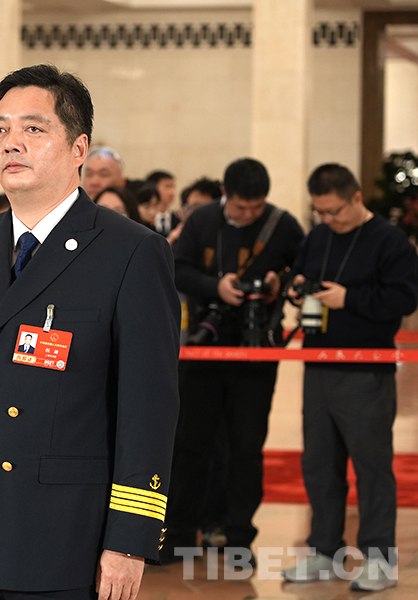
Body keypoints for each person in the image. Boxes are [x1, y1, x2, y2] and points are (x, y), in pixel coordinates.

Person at [0, 64, 180, 600]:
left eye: (33, 128)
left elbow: (148, 412)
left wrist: (129, 541)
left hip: (62, 537)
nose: (11, 143)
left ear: (78, 148)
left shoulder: (131, 252)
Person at [281, 164, 418, 592]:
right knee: (319, 464)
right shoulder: (319, 236)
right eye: (319, 212)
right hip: (318, 363)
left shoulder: (390, 241)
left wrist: (349, 299)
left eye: (334, 211)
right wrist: (295, 286)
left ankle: (379, 558)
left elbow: (404, 299)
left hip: (365, 369)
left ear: (356, 198)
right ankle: (325, 550)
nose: (328, 219)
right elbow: (298, 271)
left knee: (371, 466)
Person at [162, 157, 304, 566]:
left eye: (257, 207)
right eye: (242, 207)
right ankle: (180, 535)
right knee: (191, 446)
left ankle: (239, 536)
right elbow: (176, 268)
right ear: (226, 194)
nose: (249, 214)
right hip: (202, 347)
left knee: (246, 448)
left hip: (256, 353)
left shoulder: (283, 225)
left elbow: (303, 272)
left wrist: (280, 282)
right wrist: (215, 287)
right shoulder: (202, 220)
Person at [147, 170, 179, 237]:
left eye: (173, 187)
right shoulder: (145, 219)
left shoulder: (177, 220)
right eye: (167, 187)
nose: (172, 192)